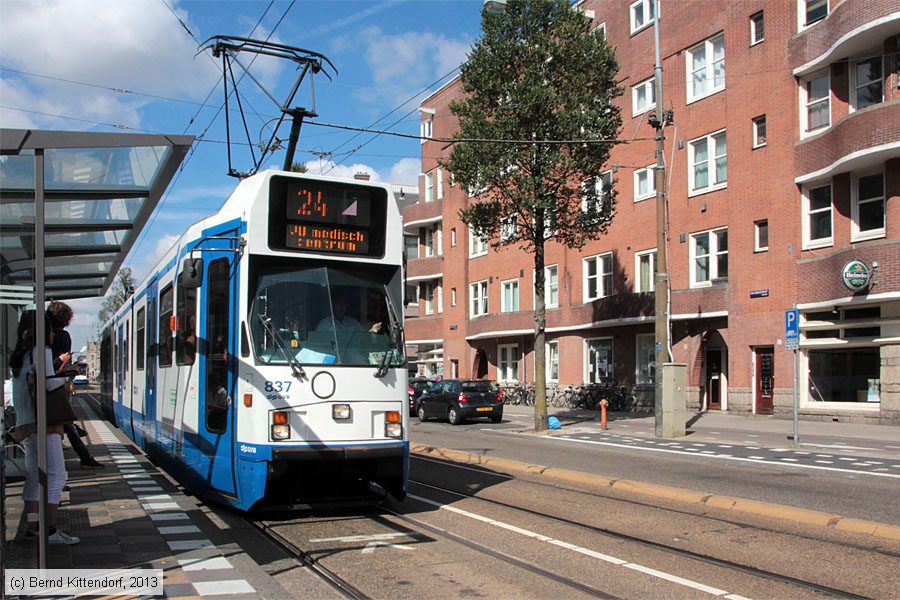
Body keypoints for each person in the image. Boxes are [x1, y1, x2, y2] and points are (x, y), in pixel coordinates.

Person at [9, 310, 80, 545]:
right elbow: (48, 386)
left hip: (25, 423)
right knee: (56, 476)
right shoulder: (42, 351)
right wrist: (68, 374)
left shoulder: (19, 356)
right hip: (43, 425)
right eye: (50, 329)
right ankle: (49, 531)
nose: (52, 334)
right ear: (44, 331)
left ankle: (32, 526)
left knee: (32, 477)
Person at [47, 301, 103, 469]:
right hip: (54, 387)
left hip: (47, 388)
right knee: (63, 422)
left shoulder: (41, 340)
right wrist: (68, 372)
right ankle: (83, 456)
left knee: (65, 423)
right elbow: (59, 365)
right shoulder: (63, 337)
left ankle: (84, 454)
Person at [315, 291, 382, 334]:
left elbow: (363, 337)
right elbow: (317, 341)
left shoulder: (353, 322)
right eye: (338, 304)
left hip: (352, 354)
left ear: (347, 306)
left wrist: (372, 330)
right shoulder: (325, 323)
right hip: (333, 354)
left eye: (343, 304)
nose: (341, 307)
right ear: (333, 305)